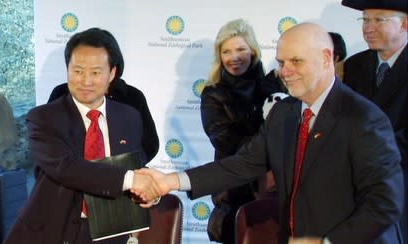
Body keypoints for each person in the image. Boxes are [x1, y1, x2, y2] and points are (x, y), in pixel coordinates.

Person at [135, 23, 405, 243]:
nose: (284, 72)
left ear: (325, 58)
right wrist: (170, 181)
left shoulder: (364, 118)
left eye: (296, 61)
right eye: (281, 62)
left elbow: (384, 205)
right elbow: (241, 165)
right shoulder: (284, 113)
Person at [4, 28, 159, 244]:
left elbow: (135, 165)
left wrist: (150, 190)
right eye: (77, 71)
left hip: (111, 231)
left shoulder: (129, 117)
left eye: (96, 72)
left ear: (112, 73)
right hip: (52, 231)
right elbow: (67, 167)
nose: (86, 81)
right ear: (67, 69)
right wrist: (133, 180)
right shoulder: (43, 118)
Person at [199, 18, 283, 244]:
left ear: (253, 51)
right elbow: (226, 142)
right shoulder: (213, 94)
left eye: (240, 49)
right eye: (226, 51)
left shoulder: (273, 86)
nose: (233, 57)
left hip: (274, 191)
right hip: (232, 191)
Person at [341, 0, 407, 240]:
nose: (368, 28)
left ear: (404, 25)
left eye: (379, 20)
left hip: (399, 184)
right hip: (355, 190)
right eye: (365, 19)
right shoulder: (353, 66)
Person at [47, 54, 159, 163]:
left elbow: (150, 144)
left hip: (121, 177)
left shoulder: (132, 97)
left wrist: (129, 167)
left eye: (96, 70)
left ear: (112, 70)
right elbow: (46, 142)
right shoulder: (61, 93)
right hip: (68, 176)